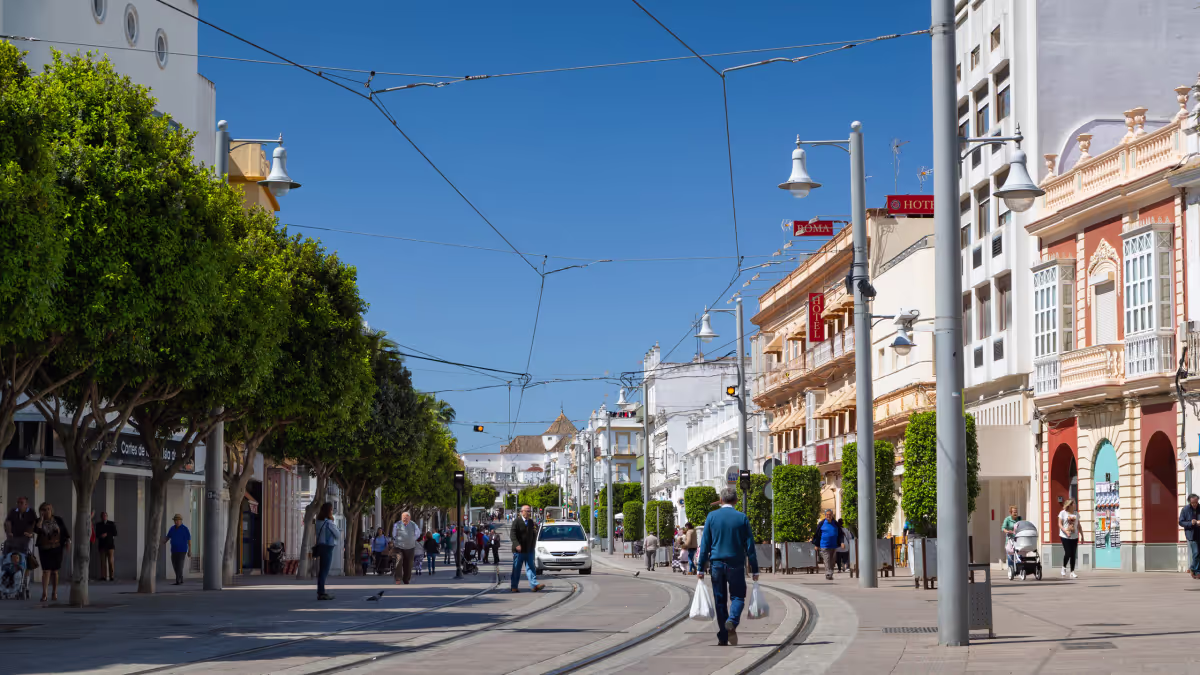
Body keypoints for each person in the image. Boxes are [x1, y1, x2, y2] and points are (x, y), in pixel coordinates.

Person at [697, 488, 758, 647]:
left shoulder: (712, 516)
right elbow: (750, 546)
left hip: (716, 564)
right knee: (738, 596)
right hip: (736, 564)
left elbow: (705, 545)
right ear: (736, 501)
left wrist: (700, 568)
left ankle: (723, 636)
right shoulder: (742, 518)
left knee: (720, 600)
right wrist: (755, 568)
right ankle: (732, 620)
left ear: (721, 500)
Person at [34, 502, 70, 602]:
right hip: (44, 548)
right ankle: (44, 593)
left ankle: (54, 592)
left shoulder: (58, 520)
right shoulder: (38, 521)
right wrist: (41, 519)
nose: (47, 511)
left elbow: (65, 532)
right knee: (46, 571)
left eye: (48, 509)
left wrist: (68, 541)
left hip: (57, 547)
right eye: (44, 509)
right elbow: (36, 530)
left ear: (51, 509)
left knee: (54, 571)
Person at [510, 505, 544, 593]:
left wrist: (533, 546)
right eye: (527, 511)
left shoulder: (531, 522)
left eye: (530, 511)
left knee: (531, 567)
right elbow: (512, 534)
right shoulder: (517, 521)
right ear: (522, 512)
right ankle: (514, 586)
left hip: (529, 550)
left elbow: (533, 534)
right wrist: (517, 544)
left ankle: (534, 585)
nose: (529, 513)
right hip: (519, 551)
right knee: (517, 569)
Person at [313, 503, 339, 600]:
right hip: (328, 547)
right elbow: (337, 534)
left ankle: (320, 590)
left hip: (320, 546)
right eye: (331, 510)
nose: (332, 511)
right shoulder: (328, 523)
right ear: (328, 511)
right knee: (324, 570)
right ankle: (321, 592)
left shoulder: (318, 522)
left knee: (321, 570)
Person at [812, 509, 843, 580]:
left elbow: (840, 534)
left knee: (832, 561)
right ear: (825, 515)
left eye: (830, 515)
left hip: (834, 545)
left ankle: (830, 572)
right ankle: (828, 574)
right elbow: (817, 535)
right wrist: (816, 545)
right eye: (827, 515)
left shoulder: (835, 523)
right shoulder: (821, 523)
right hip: (824, 545)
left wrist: (842, 542)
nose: (828, 516)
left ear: (832, 515)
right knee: (827, 560)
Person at [392, 511, 421, 585]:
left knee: (409, 564)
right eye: (403, 518)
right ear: (401, 518)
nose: (405, 519)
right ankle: (398, 578)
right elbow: (394, 534)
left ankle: (406, 579)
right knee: (399, 560)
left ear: (409, 518)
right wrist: (397, 541)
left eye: (406, 518)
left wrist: (412, 539)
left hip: (410, 547)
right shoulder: (397, 524)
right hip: (399, 546)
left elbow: (417, 533)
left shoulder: (413, 525)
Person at [163, 514, 191, 586]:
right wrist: (163, 542)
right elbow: (168, 537)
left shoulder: (185, 529)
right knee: (175, 564)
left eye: (177, 520)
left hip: (182, 550)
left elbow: (189, 540)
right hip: (174, 550)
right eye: (175, 520)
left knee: (180, 565)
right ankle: (180, 577)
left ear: (181, 521)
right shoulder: (172, 529)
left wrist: (190, 550)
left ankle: (178, 580)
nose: (176, 522)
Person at [1181, 494, 1200, 579]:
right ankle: (1192, 568)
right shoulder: (1185, 509)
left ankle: (1197, 572)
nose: (1195, 504)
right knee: (1196, 552)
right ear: (1189, 502)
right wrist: (1190, 523)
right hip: (1191, 534)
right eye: (1193, 503)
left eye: (1196, 502)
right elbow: (1181, 522)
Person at [1058, 499, 1079, 579]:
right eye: (1074, 504)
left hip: (1074, 536)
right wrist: (1066, 532)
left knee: (1073, 554)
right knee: (1068, 552)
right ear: (1069, 505)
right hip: (1065, 536)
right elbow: (1059, 524)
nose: (1075, 505)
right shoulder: (1062, 513)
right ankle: (1063, 567)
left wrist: (1082, 535)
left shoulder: (1076, 514)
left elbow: (1078, 525)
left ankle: (1072, 572)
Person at [95, 512, 118, 582]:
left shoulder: (111, 524)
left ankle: (112, 576)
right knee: (103, 562)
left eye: (105, 516)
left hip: (110, 545)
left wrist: (107, 534)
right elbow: (97, 534)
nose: (104, 517)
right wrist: (101, 535)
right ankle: (103, 576)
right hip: (102, 545)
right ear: (101, 517)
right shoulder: (98, 525)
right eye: (103, 516)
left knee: (110, 561)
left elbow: (115, 533)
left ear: (107, 516)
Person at [1001, 505, 1020, 571]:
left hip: (1018, 539)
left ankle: (1020, 568)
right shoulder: (1007, 519)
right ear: (1010, 512)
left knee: (1019, 554)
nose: (1016, 514)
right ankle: (1011, 570)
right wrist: (1008, 531)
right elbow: (1003, 528)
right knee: (1010, 555)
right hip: (1010, 539)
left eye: (1016, 512)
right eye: (1014, 512)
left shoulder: (1019, 519)